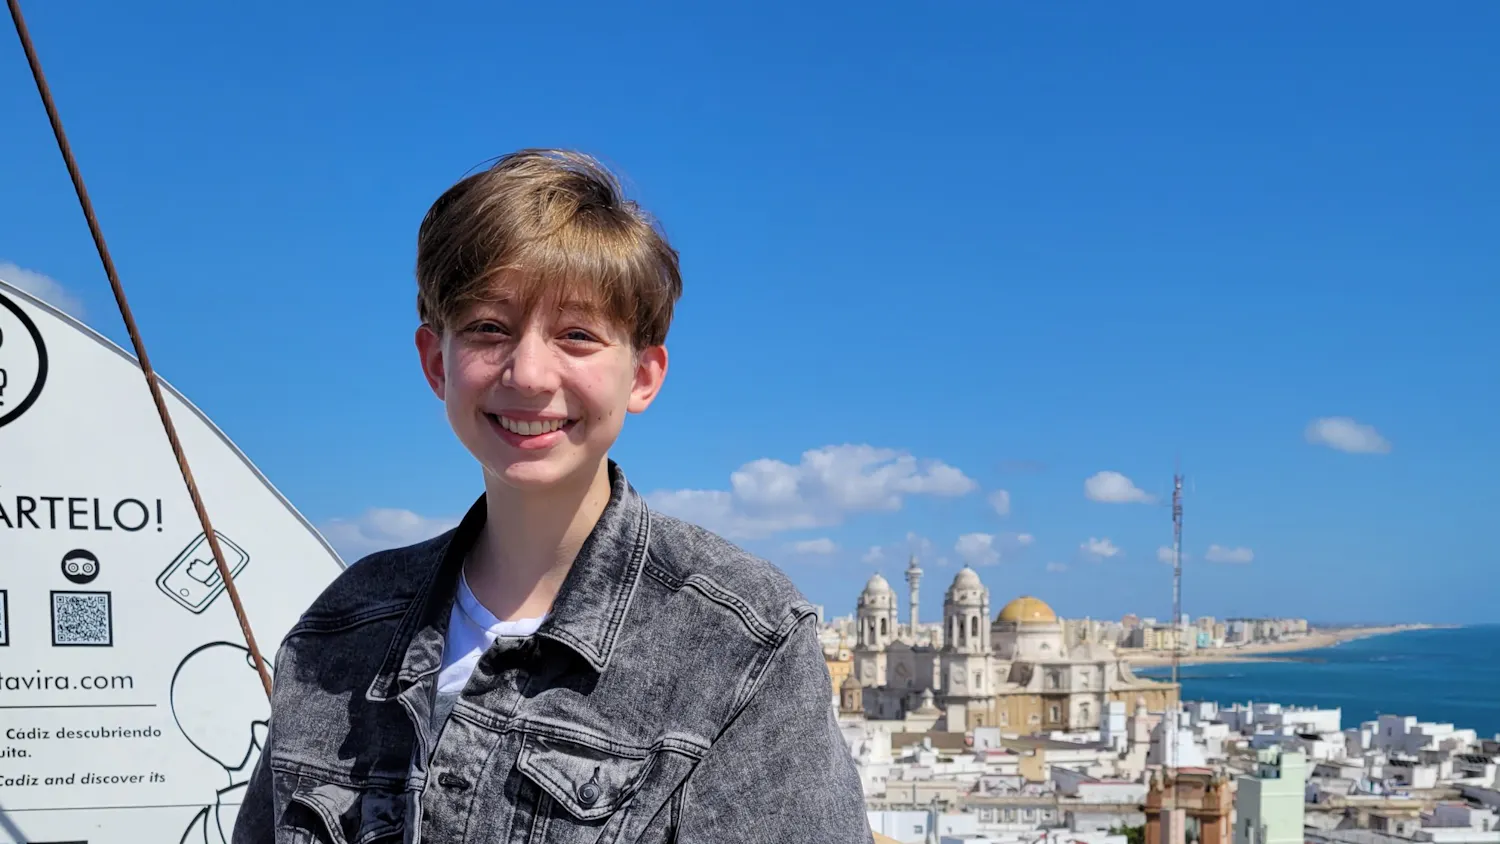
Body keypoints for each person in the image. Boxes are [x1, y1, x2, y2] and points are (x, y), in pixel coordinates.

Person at [233, 149, 871, 843]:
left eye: (577, 335)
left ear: (643, 376)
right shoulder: (345, 627)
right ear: (436, 363)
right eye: (489, 328)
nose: (529, 374)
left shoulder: (740, 644)